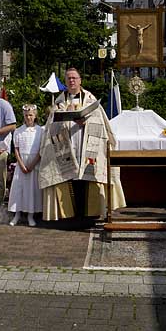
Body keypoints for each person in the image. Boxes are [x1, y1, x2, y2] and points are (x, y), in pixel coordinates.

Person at [38, 68, 123, 223]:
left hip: (85, 143)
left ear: (80, 80)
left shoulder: (90, 99)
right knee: (71, 179)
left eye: (74, 78)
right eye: (69, 78)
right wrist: (65, 117)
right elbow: (52, 126)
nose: (71, 81)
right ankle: (73, 216)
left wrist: (85, 121)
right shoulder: (59, 102)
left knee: (86, 179)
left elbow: (100, 121)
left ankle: (88, 216)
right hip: (67, 144)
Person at [9, 105, 43, 226]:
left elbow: (40, 149)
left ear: (35, 116)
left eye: (31, 115)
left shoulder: (40, 130)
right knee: (19, 189)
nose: (28, 117)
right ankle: (17, 215)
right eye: (26, 115)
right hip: (21, 164)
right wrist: (22, 165)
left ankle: (30, 215)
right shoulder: (18, 131)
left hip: (34, 164)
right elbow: (16, 150)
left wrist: (32, 164)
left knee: (31, 190)